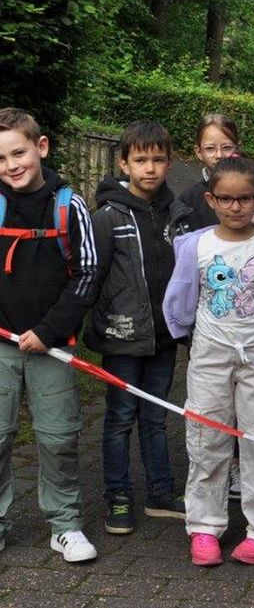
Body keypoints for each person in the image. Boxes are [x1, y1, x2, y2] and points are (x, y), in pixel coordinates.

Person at [163, 155, 254, 567]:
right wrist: (186, 333)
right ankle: (204, 526)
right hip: (210, 356)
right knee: (206, 440)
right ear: (210, 199)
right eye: (226, 199)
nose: (235, 207)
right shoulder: (195, 246)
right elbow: (180, 299)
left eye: (244, 199)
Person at [0, 108, 99, 562]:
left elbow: (87, 275)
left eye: (18, 153)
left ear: (40, 148)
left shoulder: (69, 204)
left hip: (52, 346)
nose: (10, 166)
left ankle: (64, 524)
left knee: (58, 436)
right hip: (1, 347)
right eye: (0, 159)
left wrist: (47, 331)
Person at [85, 121, 190, 536]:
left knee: (156, 416)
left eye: (158, 159)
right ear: (123, 163)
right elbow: (92, 276)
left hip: (163, 338)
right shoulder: (107, 218)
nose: (150, 168)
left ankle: (160, 492)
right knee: (119, 418)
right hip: (122, 337)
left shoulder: (177, 214)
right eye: (141, 160)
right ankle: (118, 494)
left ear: (169, 161)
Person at [179, 114, 240, 232]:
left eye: (227, 147)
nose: (219, 155)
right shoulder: (189, 200)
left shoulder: (252, 191)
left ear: (237, 148)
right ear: (199, 152)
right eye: (210, 149)